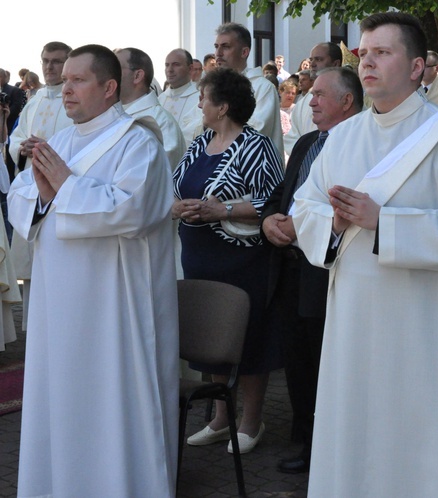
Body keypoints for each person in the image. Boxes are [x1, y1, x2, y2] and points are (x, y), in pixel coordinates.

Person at [292, 12, 438, 497]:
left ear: (416, 67)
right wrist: (332, 221)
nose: (367, 62)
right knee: (357, 432)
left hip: (423, 327)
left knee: (417, 443)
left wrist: (383, 223)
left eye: (382, 53)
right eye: (363, 54)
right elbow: (303, 207)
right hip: (354, 322)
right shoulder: (342, 137)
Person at [9, 43, 179, 498]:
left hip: (113, 310)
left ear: (109, 88)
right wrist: (46, 195)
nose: (66, 89)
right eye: (64, 80)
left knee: (111, 402)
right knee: (60, 399)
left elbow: (133, 211)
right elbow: (21, 196)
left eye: (78, 80)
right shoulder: (60, 141)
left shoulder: (139, 142)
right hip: (57, 305)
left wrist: (64, 186)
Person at [173, 67, 284, 454]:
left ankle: (252, 420)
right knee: (211, 334)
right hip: (199, 254)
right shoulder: (200, 141)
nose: (199, 103)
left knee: (250, 337)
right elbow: (177, 184)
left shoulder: (255, 145)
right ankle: (220, 419)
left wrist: (223, 211)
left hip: (242, 260)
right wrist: (178, 206)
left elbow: (273, 201)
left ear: (222, 106)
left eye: (204, 98)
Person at [262, 67, 363, 475]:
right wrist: (270, 219)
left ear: (347, 101)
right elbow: (283, 195)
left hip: (327, 272)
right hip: (288, 269)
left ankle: (330, 448)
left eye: (321, 94)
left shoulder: (360, 145)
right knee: (298, 363)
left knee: (327, 365)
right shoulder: (306, 142)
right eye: (311, 93)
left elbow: (346, 207)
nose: (311, 100)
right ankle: (306, 441)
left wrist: (300, 227)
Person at [9, 41, 74, 334]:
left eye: (57, 61)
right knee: (33, 272)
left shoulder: (74, 98)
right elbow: (16, 137)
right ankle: (34, 332)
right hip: (32, 193)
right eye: (45, 61)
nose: (49, 67)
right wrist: (20, 147)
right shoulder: (33, 101)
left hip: (61, 194)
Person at [214, 22, 284, 161]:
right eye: (216, 47)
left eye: (226, 47)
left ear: (244, 52)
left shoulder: (263, 87)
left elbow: (256, 129)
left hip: (254, 168)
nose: (218, 53)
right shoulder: (214, 88)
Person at [115, 47, 186, 168]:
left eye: (116, 68)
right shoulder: (112, 113)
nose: (108, 74)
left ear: (137, 76)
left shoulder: (162, 122)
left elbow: (155, 174)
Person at [283, 42, 342, 155]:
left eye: (319, 59)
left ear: (336, 63)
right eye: (311, 60)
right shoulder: (303, 103)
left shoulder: (346, 97)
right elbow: (292, 140)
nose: (312, 64)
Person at [159, 48, 202, 145]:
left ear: (190, 69)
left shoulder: (200, 99)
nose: (170, 70)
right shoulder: (160, 100)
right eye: (167, 65)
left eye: (176, 65)